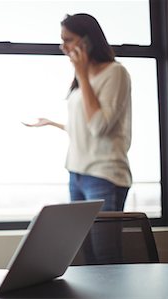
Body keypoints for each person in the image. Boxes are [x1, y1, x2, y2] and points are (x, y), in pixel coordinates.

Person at [24, 13, 132, 211]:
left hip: (103, 175)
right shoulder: (82, 78)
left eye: (68, 40)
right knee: (82, 243)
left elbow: (98, 127)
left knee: (104, 243)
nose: (62, 47)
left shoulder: (115, 73)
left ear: (88, 41)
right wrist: (51, 122)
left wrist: (81, 74)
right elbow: (84, 127)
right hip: (77, 174)